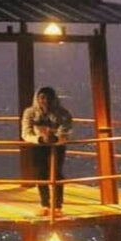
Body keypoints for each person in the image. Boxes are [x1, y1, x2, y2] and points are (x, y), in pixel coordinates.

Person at [21, 86, 73, 216]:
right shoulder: (30, 113)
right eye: (42, 97)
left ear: (54, 98)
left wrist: (55, 138)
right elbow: (25, 132)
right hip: (38, 146)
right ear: (37, 98)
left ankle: (57, 206)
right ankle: (45, 204)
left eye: (48, 97)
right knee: (40, 174)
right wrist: (40, 139)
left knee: (56, 174)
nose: (45, 100)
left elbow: (66, 131)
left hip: (57, 147)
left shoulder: (63, 113)